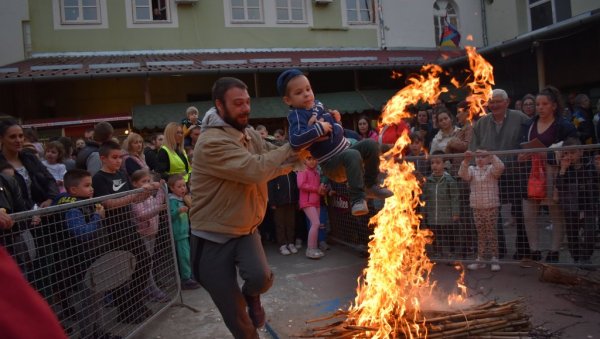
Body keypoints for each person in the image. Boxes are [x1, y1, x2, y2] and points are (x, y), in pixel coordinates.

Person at [189, 77, 298, 337]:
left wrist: (309, 149)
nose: (245, 108)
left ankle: (253, 296)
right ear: (220, 105)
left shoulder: (248, 133)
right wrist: (293, 149)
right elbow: (255, 170)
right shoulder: (211, 142)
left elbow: (273, 156)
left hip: (245, 229)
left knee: (261, 278)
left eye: (247, 102)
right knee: (238, 319)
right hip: (211, 238)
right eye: (238, 104)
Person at [279, 68, 392, 217]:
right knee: (352, 154)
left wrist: (336, 119)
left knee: (370, 144)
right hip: (332, 164)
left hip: (346, 148)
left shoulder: (318, 105)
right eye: (299, 92)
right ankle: (357, 199)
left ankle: (369, 185)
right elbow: (295, 140)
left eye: (308, 89)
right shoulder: (297, 116)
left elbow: (334, 126)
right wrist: (319, 128)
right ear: (288, 100)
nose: (306, 94)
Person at [92, 140, 155, 324]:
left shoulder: (120, 173)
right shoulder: (99, 178)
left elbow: (131, 199)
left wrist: (148, 192)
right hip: (111, 230)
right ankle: (125, 309)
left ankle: (135, 302)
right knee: (119, 270)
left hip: (127, 226)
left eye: (120, 157)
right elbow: (108, 204)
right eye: (114, 157)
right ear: (102, 158)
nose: (118, 161)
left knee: (143, 261)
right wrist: (134, 196)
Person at [470, 88, 531, 260]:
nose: (494, 105)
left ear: (507, 102)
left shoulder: (521, 118)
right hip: (490, 176)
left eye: (498, 101)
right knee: (493, 215)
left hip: (517, 173)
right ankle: (499, 250)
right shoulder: (481, 123)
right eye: (491, 102)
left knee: (520, 213)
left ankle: (523, 250)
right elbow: (474, 148)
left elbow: (530, 141)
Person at [519, 86, 578, 263]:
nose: (540, 107)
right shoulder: (529, 124)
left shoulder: (564, 125)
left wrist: (550, 155)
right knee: (529, 214)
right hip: (531, 173)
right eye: (538, 104)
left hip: (554, 172)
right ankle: (534, 249)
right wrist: (521, 154)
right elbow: (520, 144)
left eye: (544, 104)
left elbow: (573, 149)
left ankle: (554, 251)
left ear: (553, 105)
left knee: (555, 212)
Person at [52, 169, 108, 338]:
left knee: (96, 300)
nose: (92, 189)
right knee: (89, 302)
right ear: (73, 190)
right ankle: (89, 334)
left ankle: (99, 331)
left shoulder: (84, 202)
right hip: (80, 260)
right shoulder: (73, 208)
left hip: (91, 257)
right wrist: (97, 217)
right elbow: (81, 233)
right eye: (87, 185)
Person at [459, 150, 505, 271]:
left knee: (492, 233)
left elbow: (500, 167)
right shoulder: (472, 170)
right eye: (477, 157)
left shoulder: (491, 169)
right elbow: (462, 174)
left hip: (491, 207)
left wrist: (492, 155)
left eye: (483, 157)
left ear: (488, 158)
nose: (480, 159)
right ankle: (481, 258)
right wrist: (466, 161)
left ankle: (495, 258)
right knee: (480, 234)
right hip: (477, 207)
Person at [554, 138, 598, 265]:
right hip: (571, 206)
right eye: (566, 153)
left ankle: (586, 258)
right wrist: (562, 170)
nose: (569, 156)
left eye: (572, 153)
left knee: (590, 233)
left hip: (588, 205)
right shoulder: (565, 169)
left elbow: (595, 182)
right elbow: (560, 186)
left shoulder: (589, 166)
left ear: (581, 152)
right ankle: (576, 257)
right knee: (572, 234)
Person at [130, 169, 170, 301]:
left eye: (149, 181)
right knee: (147, 263)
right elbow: (142, 215)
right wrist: (158, 208)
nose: (147, 184)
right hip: (143, 234)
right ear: (135, 184)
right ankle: (151, 289)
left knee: (150, 262)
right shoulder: (135, 199)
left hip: (152, 233)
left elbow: (157, 203)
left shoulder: (150, 196)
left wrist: (162, 190)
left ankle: (149, 289)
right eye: (144, 181)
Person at [422, 151, 460, 258]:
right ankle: (438, 252)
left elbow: (454, 198)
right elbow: (424, 198)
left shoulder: (449, 181)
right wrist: (423, 212)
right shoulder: (428, 181)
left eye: (438, 163)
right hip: (433, 216)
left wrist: (455, 212)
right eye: (432, 163)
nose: (434, 165)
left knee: (448, 235)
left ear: (444, 164)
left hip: (447, 216)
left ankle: (450, 253)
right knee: (435, 235)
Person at [168, 174, 201, 290]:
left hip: (185, 231)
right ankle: (186, 279)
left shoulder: (182, 199)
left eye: (184, 186)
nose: (183, 188)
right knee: (184, 256)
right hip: (179, 233)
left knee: (188, 255)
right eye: (179, 186)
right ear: (172, 188)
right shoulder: (172, 200)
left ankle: (190, 275)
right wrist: (178, 211)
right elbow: (170, 216)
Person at [297, 155, 328, 259]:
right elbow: (301, 185)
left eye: (314, 159)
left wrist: (322, 190)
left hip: (316, 202)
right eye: (309, 159)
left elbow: (318, 189)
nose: (312, 161)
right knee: (316, 223)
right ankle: (310, 249)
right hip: (307, 202)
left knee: (314, 225)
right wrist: (317, 189)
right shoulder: (302, 170)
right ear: (304, 159)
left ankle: (313, 248)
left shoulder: (316, 173)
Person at [268, 170, 299, 256]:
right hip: (279, 203)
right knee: (280, 224)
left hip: (291, 202)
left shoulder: (291, 172)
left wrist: (296, 200)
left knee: (291, 223)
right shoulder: (275, 172)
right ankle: (282, 245)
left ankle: (291, 243)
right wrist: (272, 202)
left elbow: (296, 186)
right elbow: (270, 186)